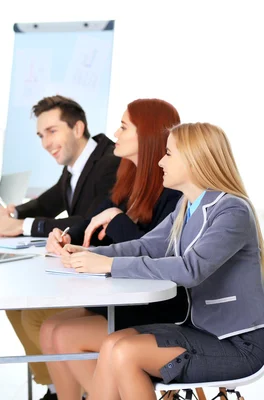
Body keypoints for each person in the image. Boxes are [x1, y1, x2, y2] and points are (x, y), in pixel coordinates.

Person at [48, 122, 264, 400]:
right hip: (198, 329)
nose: (161, 161)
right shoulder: (185, 206)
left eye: (169, 154)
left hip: (237, 343)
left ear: (195, 159)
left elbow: (190, 269)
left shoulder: (232, 210)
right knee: (112, 343)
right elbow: (147, 246)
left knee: (126, 353)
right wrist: (85, 253)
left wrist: (110, 266)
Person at [7, 99, 184, 400]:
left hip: (157, 305)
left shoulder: (173, 189)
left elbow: (153, 253)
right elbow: (90, 221)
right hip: (123, 296)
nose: (115, 132)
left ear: (148, 134)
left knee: (61, 334)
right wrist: (64, 236)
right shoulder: (127, 177)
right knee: (50, 329)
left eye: (124, 126)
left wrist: (115, 220)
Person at [0, 95, 120, 238]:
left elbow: (91, 222)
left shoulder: (111, 163)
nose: (45, 144)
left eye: (52, 131)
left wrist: (22, 226)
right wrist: (13, 213)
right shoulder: (74, 166)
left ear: (77, 129)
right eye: (41, 136)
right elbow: (45, 205)